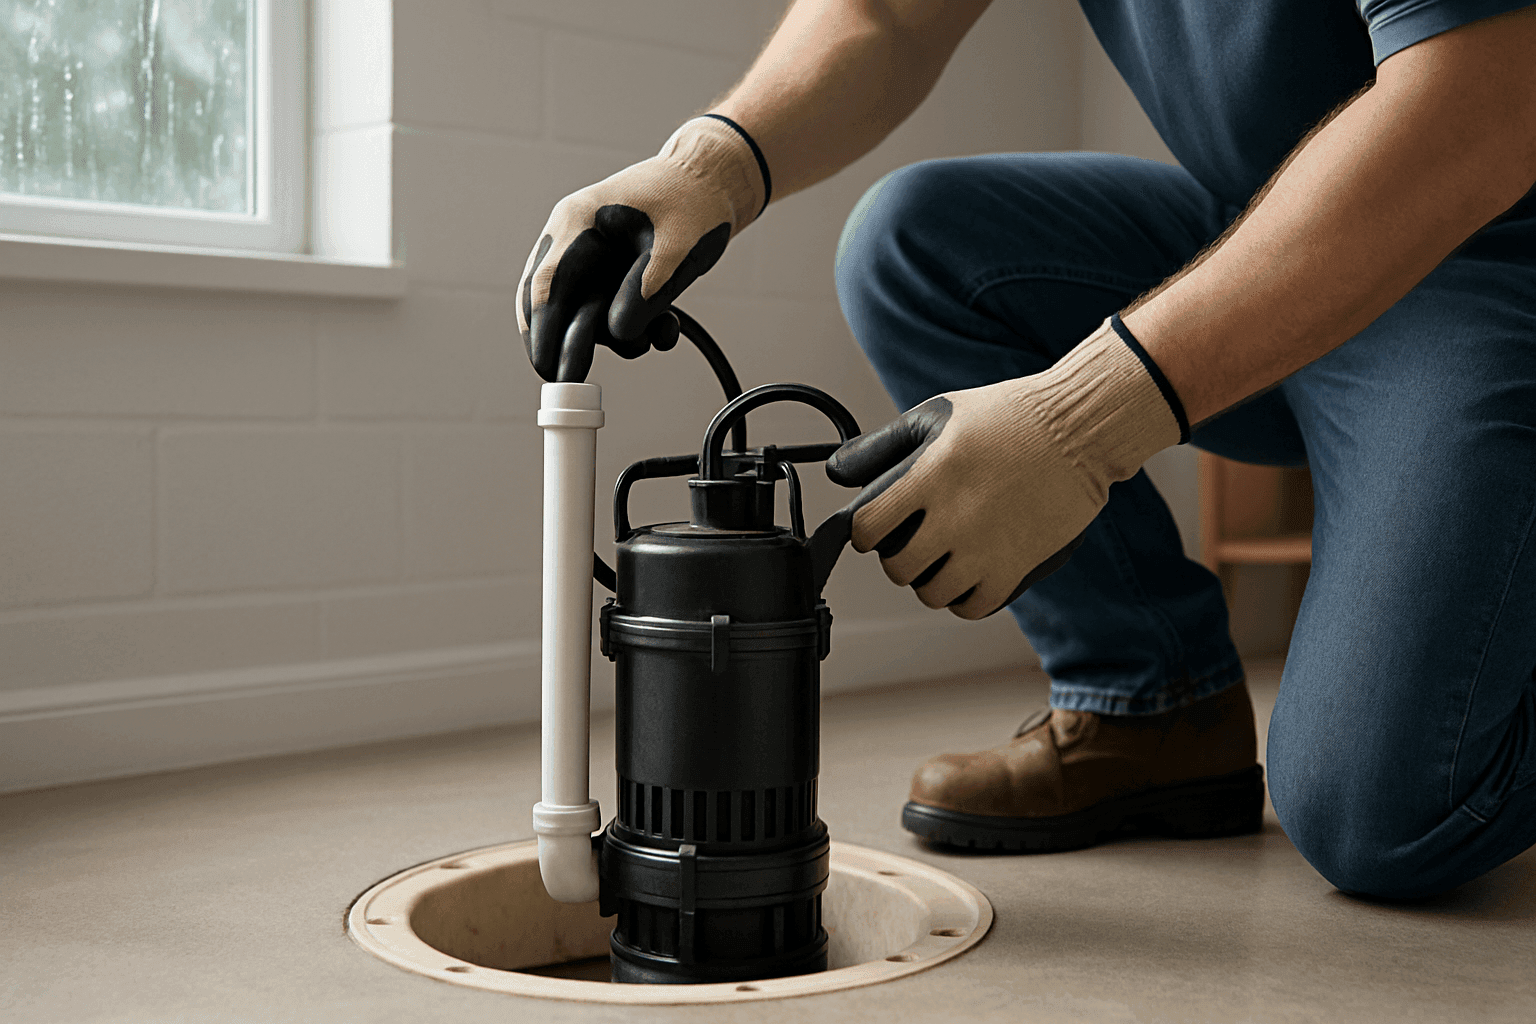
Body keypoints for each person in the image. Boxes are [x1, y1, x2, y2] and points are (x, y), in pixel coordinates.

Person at [517, 0, 1536, 899]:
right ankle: (1154, 708)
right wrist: (714, 159)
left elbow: (1482, 93)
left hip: (1487, 246)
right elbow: (888, 15)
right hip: (1283, 212)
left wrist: (1086, 418)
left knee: (1389, 806)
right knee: (914, 243)